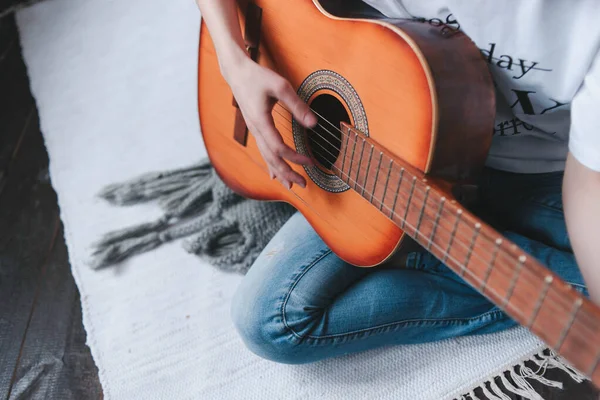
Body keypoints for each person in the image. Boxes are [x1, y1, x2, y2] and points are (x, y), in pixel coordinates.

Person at [195, 0, 600, 365]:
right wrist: (235, 64)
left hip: (552, 171)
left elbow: (589, 190)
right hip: (399, 141)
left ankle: (417, 250)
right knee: (270, 320)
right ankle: (422, 247)